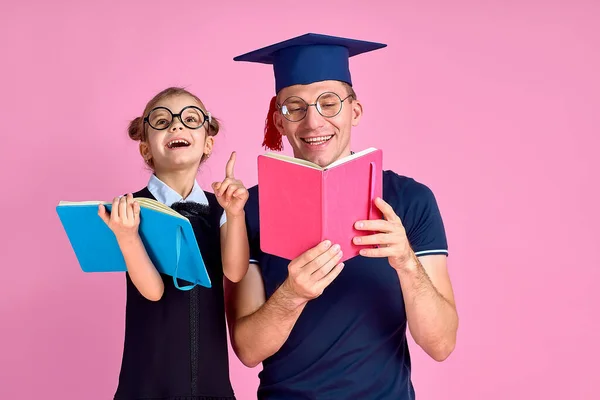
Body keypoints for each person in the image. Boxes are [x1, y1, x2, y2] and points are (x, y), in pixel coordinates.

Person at [226, 33, 459, 399]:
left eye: (329, 103)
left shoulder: (411, 200)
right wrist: (292, 295)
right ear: (279, 120)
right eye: (295, 107)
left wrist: (406, 262)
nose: (313, 122)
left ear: (356, 110)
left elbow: (441, 344)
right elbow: (248, 350)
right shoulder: (246, 209)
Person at [98, 87, 249, 400]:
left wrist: (235, 215)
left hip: (211, 381)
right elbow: (152, 290)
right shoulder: (132, 210)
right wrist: (127, 237)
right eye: (163, 121)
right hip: (148, 382)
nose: (176, 126)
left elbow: (235, 272)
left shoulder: (220, 206)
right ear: (146, 150)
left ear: (208, 142)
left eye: (190, 119)